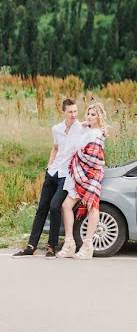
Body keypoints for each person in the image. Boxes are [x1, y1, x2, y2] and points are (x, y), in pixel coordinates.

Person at [13, 99, 82, 259]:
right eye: (70, 112)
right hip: (53, 172)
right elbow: (55, 148)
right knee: (42, 208)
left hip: (67, 175)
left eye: (75, 111)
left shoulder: (81, 128)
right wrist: (49, 164)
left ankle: (51, 246)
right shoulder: (56, 129)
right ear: (63, 112)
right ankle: (31, 246)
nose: (74, 115)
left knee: (54, 206)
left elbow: (96, 130)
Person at [57, 102, 107, 260]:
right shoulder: (87, 130)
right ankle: (70, 243)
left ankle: (87, 246)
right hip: (77, 174)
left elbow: (94, 157)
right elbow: (81, 135)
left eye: (93, 114)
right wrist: (86, 124)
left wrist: (77, 155)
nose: (90, 117)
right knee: (66, 205)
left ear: (99, 117)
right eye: (88, 114)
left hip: (90, 174)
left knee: (92, 207)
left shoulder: (97, 134)